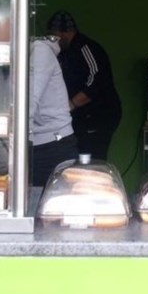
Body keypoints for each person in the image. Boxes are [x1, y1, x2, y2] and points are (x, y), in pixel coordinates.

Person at [47, 10, 122, 162]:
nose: (52, 41)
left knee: (91, 159)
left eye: (54, 36)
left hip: (98, 115)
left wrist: (70, 105)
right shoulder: (63, 52)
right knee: (77, 157)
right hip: (79, 117)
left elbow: (97, 81)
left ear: (63, 33)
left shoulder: (86, 48)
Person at [29, 35, 79, 187]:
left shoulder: (39, 52)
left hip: (51, 145)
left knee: (48, 200)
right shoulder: (0, 53)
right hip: (22, 143)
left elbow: (28, 104)